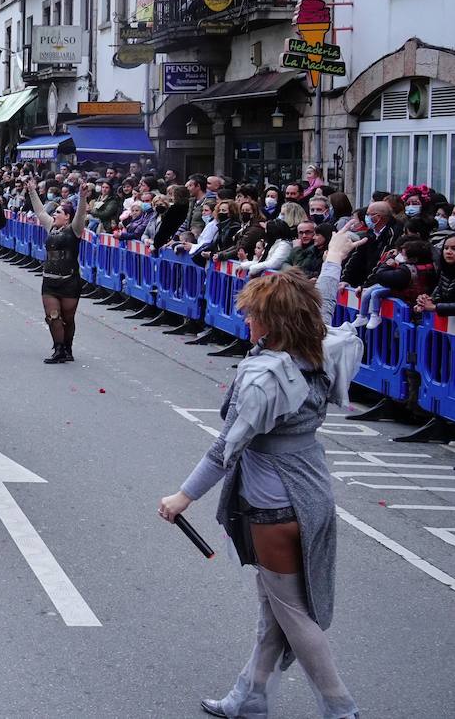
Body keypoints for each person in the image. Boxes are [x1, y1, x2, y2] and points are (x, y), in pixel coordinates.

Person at [158, 238, 363, 719]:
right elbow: (322, 301)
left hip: (272, 505)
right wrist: (332, 257)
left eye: (252, 314)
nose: (246, 320)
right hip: (311, 493)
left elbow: (224, 450)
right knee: (275, 609)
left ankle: (340, 708)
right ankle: (249, 697)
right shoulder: (319, 345)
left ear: (270, 323)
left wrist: (181, 498)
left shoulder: (263, 377)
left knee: (291, 613)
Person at [26, 178, 91, 364]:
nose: (54, 214)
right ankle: (58, 349)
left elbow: (80, 214)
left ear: (67, 217)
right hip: (50, 281)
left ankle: (68, 347)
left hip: (70, 281)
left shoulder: (75, 230)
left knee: (68, 319)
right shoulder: (50, 227)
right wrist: (32, 191)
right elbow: (39, 211)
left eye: (59, 212)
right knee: (53, 316)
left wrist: (82, 197)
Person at [358, 236, 435, 329]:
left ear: (413, 258)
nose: (400, 256)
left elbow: (382, 276)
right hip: (412, 306)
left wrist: (388, 262)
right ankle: (363, 316)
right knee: (370, 291)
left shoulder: (407, 270)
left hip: (408, 307)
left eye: (403, 255)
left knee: (376, 293)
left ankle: (373, 315)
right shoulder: (430, 267)